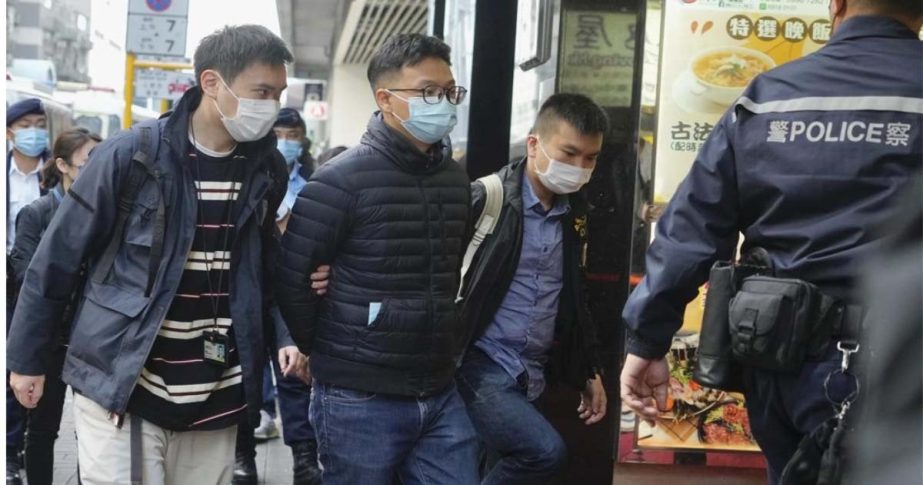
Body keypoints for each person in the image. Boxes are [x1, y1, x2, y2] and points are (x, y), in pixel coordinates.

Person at [618, 0, 923, 482]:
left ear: (836, 4)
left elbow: (692, 227)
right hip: (900, 369)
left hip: (780, 363)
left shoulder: (767, 96)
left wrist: (646, 338)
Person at [7, 24, 308, 484]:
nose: (271, 107)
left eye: (278, 93)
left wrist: (286, 335)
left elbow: (265, 268)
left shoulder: (264, 168)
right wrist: (26, 361)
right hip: (124, 382)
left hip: (217, 390)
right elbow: (57, 260)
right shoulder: (132, 155)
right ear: (212, 83)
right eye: (261, 92)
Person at [275, 33, 477, 485]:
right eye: (427, 92)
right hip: (358, 395)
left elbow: (449, 268)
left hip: (439, 386)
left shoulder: (455, 180)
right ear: (385, 99)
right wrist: (326, 351)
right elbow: (292, 281)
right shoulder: (338, 182)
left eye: (449, 92)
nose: (442, 102)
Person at [455, 93, 609, 485]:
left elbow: (575, 298)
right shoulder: (487, 199)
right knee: (543, 452)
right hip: (480, 363)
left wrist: (588, 370)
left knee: (490, 466)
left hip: (532, 372)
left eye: (590, 158)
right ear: (534, 144)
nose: (579, 167)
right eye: (570, 153)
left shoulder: (575, 214)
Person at [232, 107, 322, 485]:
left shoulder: (317, 181)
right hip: (249, 292)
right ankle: (242, 456)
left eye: (292, 135)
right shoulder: (242, 182)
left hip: (295, 293)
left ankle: (304, 458)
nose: (286, 143)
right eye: (278, 134)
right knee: (242, 377)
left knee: (293, 376)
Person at [8, 128, 101, 485]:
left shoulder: (105, 211)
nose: (96, 168)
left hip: (91, 338)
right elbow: (27, 275)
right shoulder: (37, 213)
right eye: (87, 160)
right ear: (63, 165)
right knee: (43, 428)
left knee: (93, 432)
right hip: (49, 338)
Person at [5, 97, 50, 485]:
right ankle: (9, 451)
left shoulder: (53, 172)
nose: (34, 132)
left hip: (39, 280)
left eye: (39, 123)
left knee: (24, 359)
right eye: (24, 125)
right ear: (9, 133)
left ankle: (18, 448)